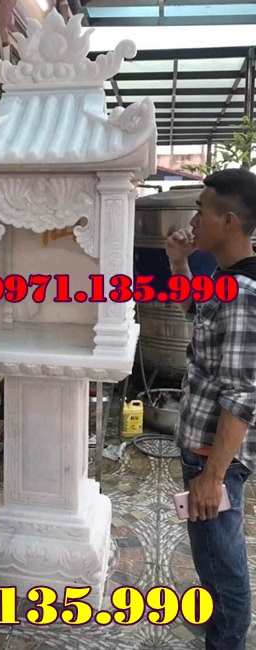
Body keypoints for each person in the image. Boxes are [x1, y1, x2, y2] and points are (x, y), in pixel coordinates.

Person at [165, 168, 256, 649]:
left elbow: (241, 393)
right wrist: (178, 262)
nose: (193, 219)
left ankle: (227, 641)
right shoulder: (226, 280)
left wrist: (213, 476)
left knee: (222, 565)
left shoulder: (241, 293)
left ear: (230, 221)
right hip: (203, 449)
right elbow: (194, 315)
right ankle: (222, 629)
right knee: (212, 558)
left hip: (212, 455)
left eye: (201, 209)